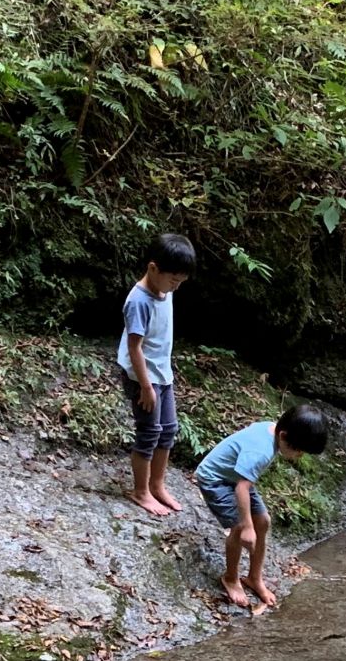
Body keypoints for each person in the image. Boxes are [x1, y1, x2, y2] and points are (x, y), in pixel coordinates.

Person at [194, 404, 329, 610]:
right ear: (283, 435)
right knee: (239, 528)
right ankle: (230, 578)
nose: (300, 455)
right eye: (298, 450)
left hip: (238, 478)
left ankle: (254, 578)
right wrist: (247, 527)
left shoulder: (271, 429)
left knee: (263, 521)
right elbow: (241, 488)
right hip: (217, 480)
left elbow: (244, 482)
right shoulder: (261, 452)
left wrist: (254, 524)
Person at [117, 233, 197, 517]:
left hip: (162, 373)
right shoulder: (138, 302)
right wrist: (146, 387)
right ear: (153, 269)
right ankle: (141, 492)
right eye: (173, 280)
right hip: (142, 378)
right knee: (149, 432)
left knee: (169, 429)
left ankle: (157, 484)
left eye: (180, 282)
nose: (176, 287)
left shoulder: (166, 291)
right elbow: (134, 347)